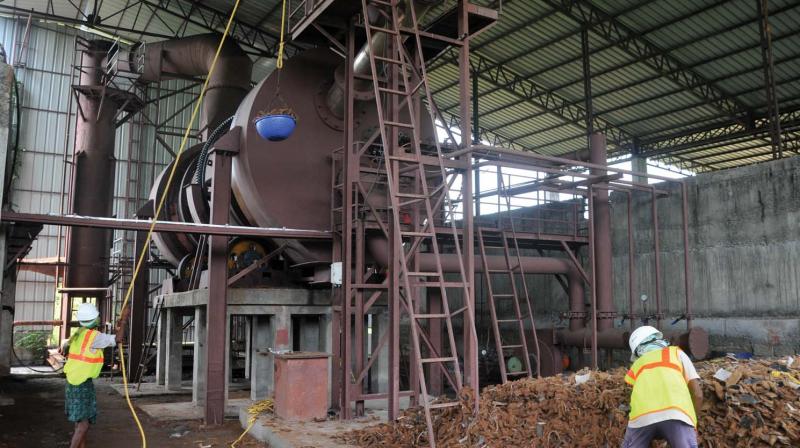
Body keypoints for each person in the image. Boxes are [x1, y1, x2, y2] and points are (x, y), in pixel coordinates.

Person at [622, 325, 703, 448]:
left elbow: (633, 393)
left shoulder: (637, 364)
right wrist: (692, 423)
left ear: (637, 351)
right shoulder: (676, 353)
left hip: (641, 418)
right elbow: (697, 394)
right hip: (677, 413)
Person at [62, 302, 121, 448]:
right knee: (84, 425)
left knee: (80, 421)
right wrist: (124, 319)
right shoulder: (94, 336)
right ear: (95, 319)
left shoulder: (79, 333)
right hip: (81, 383)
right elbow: (117, 339)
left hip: (73, 381)